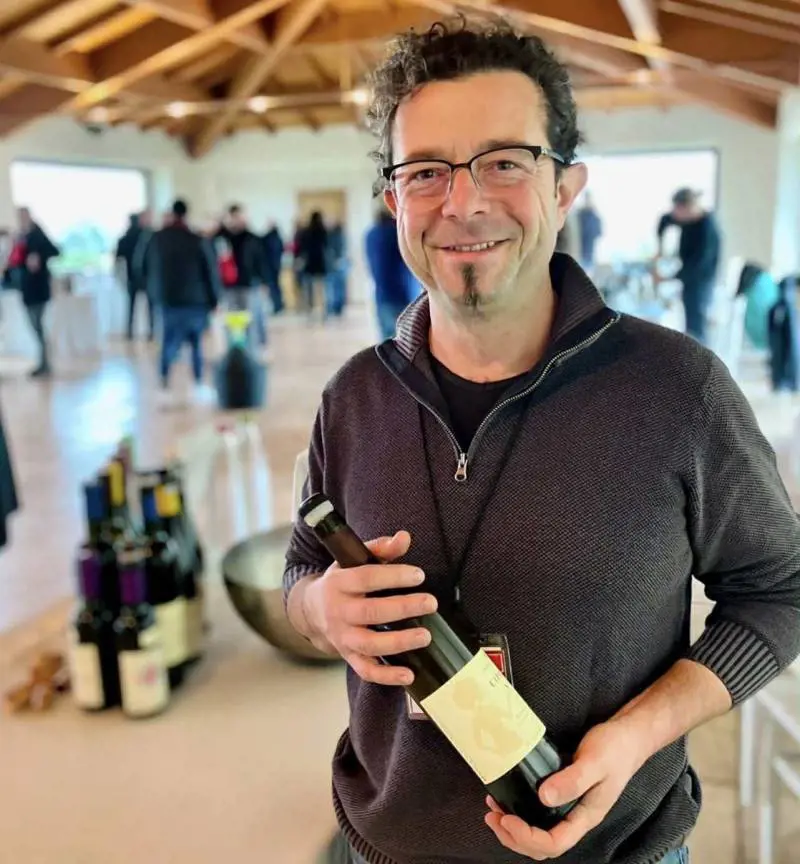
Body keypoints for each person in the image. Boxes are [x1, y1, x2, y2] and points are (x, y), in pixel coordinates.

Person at [282, 18, 800, 864]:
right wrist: (317, 609)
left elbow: (780, 590)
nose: (463, 203)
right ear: (394, 201)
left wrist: (639, 733)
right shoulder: (353, 397)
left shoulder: (679, 390)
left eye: (504, 162)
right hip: (388, 847)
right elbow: (303, 568)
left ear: (565, 188)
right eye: (426, 172)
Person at [142, 199, 221, 406]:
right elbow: (210, 271)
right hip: (195, 300)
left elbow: (142, 267)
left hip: (168, 300)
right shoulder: (196, 239)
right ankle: (198, 385)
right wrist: (215, 299)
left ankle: (164, 386)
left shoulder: (157, 239)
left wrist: (153, 292)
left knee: (168, 343)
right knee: (196, 344)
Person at [656, 188, 721, 344]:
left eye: (678, 211)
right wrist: (660, 248)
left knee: (696, 322)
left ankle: (700, 355)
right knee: (688, 321)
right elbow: (664, 220)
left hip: (702, 279)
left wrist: (667, 278)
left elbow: (698, 265)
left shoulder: (708, 228)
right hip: (688, 275)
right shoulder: (685, 219)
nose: (675, 215)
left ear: (688, 207)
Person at [4, 208, 59, 378]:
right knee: (35, 327)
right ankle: (43, 362)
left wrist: (38, 257)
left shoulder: (38, 235)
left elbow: (55, 251)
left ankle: (45, 363)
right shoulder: (21, 237)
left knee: (38, 326)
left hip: (38, 289)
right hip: (27, 289)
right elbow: (15, 261)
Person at [215, 205, 269, 346]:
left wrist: (264, 281)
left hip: (249, 284)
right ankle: (234, 349)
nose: (236, 220)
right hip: (229, 285)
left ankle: (252, 349)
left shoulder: (252, 238)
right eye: (233, 217)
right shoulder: (223, 238)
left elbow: (261, 261)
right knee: (231, 320)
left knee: (250, 319)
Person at [365, 206, 419, 340]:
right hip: (405, 291)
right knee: (407, 338)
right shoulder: (398, 234)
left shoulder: (370, 235)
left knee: (386, 338)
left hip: (382, 293)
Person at [116, 209, 154, 341]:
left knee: (131, 306)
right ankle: (151, 331)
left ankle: (130, 330)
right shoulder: (146, 237)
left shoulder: (125, 239)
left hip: (131, 277)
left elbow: (118, 258)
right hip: (146, 277)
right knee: (150, 306)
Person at [298, 210, 329, 321]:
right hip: (320, 263)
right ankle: (322, 311)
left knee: (309, 290)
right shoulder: (323, 231)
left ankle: (310, 312)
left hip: (309, 263)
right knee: (320, 289)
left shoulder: (306, 232)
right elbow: (326, 246)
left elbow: (302, 247)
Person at [326, 221, 349, 317]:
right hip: (340, 263)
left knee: (333, 287)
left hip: (334, 264)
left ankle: (334, 307)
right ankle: (338, 306)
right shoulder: (342, 237)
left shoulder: (331, 237)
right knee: (339, 287)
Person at [261, 221, 285, 314]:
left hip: (270, 266)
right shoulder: (278, 238)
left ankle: (277, 306)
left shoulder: (268, 238)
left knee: (273, 286)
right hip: (276, 265)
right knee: (276, 286)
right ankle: (278, 305)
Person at [577, 192, 602, 271]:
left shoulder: (594, 216)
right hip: (579, 252)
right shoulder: (579, 215)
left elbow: (599, 233)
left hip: (590, 253)